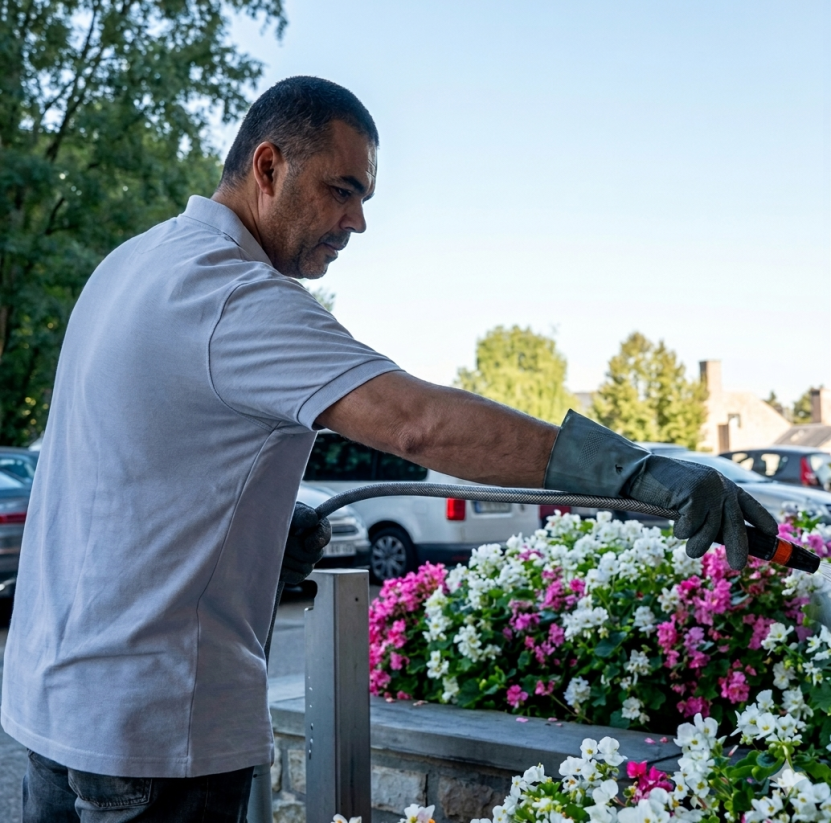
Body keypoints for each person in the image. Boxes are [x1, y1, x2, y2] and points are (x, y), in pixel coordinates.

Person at [1, 76, 777, 822]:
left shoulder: (128, 265)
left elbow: (133, 468)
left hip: (52, 711)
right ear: (268, 166)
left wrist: (262, 533)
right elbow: (418, 423)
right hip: (154, 736)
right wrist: (642, 473)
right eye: (343, 189)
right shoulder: (232, 295)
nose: (358, 223)